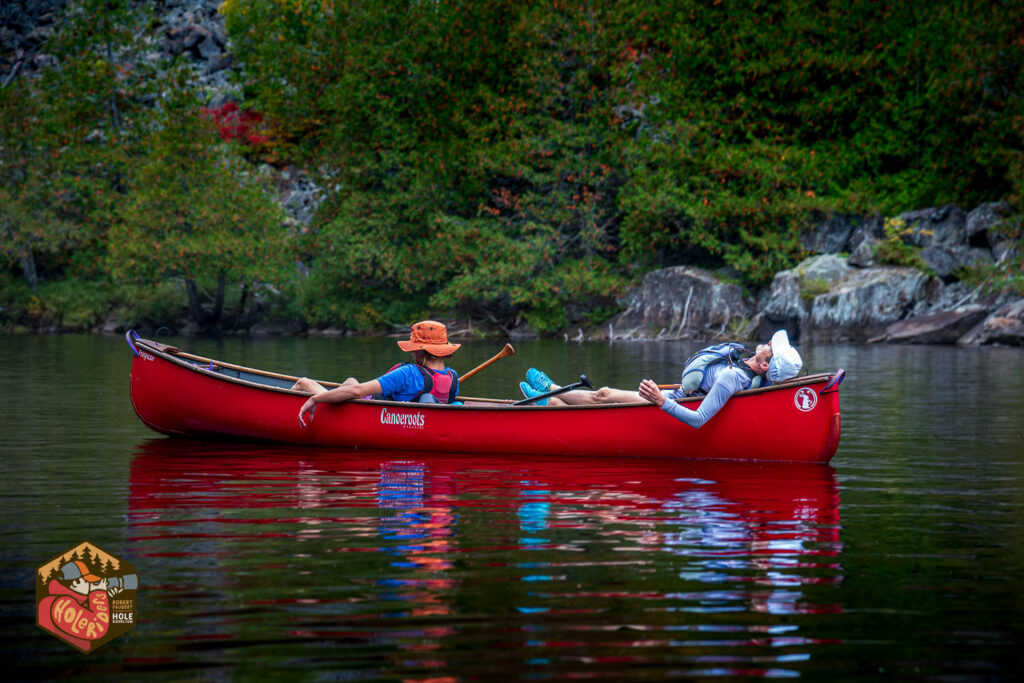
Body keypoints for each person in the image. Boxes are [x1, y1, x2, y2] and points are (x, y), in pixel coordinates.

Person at [519, 329, 802, 429]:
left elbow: (699, 419)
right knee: (601, 398)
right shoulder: (745, 362)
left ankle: (550, 391)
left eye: (772, 349)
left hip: (670, 406)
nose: (768, 342)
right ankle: (553, 402)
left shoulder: (734, 377)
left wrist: (658, 399)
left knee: (603, 395)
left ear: (766, 364)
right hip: (676, 398)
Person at [295, 320, 461, 427]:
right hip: (413, 423)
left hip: (367, 413)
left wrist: (314, 398)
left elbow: (357, 392)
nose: (411, 353)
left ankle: (299, 417)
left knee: (304, 383)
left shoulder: (408, 373)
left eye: (414, 349)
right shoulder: (453, 377)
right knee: (351, 381)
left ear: (422, 351)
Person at [38, 560, 123, 652]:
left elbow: (82, 612)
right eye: (88, 581)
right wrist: (98, 593)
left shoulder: (65, 599)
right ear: (76, 583)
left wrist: (106, 599)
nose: (91, 585)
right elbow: (97, 628)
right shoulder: (60, 604)